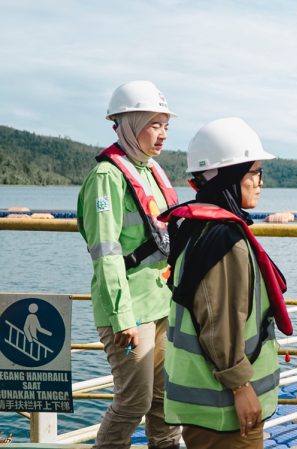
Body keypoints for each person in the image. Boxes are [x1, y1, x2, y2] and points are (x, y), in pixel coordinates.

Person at [159, 117, 293, 449]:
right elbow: (219, 324)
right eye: (254, 173)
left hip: (209, 407)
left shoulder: (197, 229)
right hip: (224, 411)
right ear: (230, 178)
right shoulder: (225, 240)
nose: (261, 182)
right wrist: (240, 387)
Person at [77, 80, 181, 449]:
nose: (163, 134)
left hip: (161, 303)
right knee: (133, 402)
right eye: (154, 124)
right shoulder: (107, 178)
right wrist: (122, 318)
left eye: (166, 125)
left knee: (166, 403)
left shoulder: (151, 172)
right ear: (128, 123)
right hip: (130, 311)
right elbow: (105, 253)